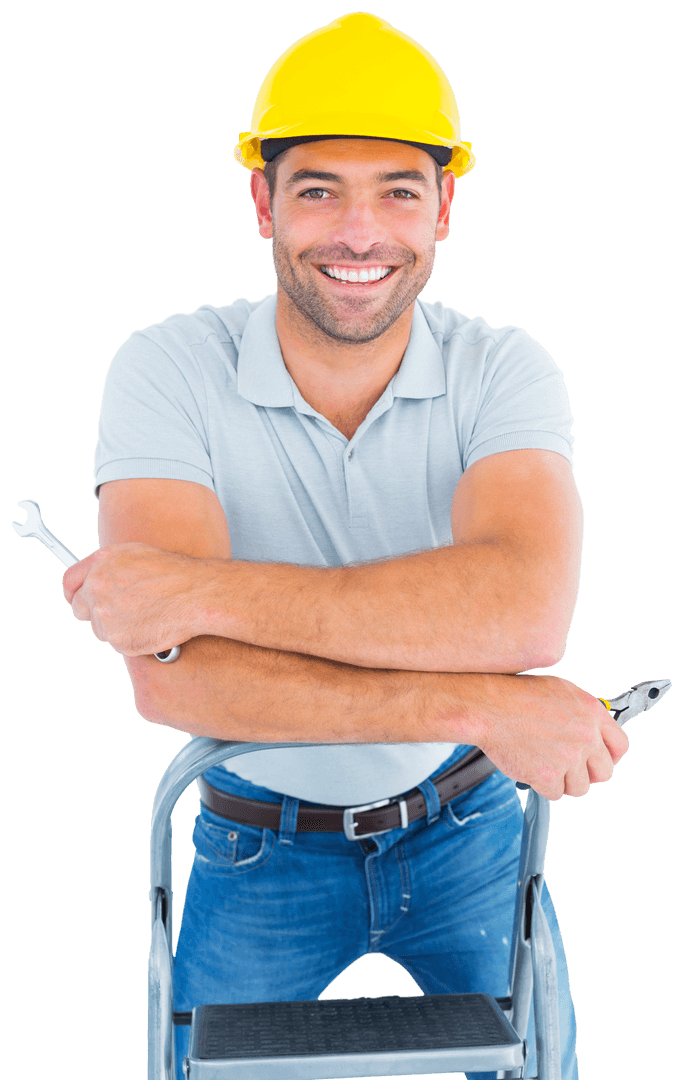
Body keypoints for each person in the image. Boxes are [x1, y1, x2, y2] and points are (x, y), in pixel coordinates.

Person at [63, 13, 628, 1079]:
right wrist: (475, 701)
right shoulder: (165, 368)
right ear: (263, 202)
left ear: (444, 209)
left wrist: (204, 590)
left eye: (398, 192)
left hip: (471, 833)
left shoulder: (506, 370)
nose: (359, 233)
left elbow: (524, 612)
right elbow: (176, 678)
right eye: (319, 189)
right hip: (256, 842)